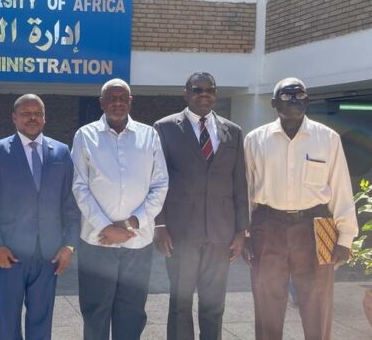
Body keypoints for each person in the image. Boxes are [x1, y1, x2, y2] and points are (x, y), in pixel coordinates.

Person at [243, 77, 359, 340]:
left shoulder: (327, 138)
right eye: (286, 95)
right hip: (267, 226)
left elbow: (341, 187)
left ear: (307, 100)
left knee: (317, 302)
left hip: (315, 226)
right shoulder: (255, 140)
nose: (294, 99)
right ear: (274, 103)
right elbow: (247, 191)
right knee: (267, 301)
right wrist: (246, 235)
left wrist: (346, 238)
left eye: (299, 94)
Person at [0, 94, 81, 339]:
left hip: (49, 253)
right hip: (9, 254)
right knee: (8, 321)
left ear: (44, 118)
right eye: (25, 113)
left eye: (38, 113)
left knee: (41, 320)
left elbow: (70, 202)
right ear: (14, 118)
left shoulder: (61, 152)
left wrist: (69, 245)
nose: (32, 117)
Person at [71, 78, 169, 340]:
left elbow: (160, 185)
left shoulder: (149, 136)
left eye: (122, 97)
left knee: (132, 312)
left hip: (137, 242)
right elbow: (79, 186)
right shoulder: (85, 136)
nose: (117, 102)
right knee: (95, 311)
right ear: (101, 103)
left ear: (130, 102)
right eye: (111, 98)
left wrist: (133, 223)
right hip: (97, 241)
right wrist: (106, 226)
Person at [153, 72, 248, 340]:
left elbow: (240, 183)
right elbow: (156, 180)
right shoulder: (165, 128)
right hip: (181, 233)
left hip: (221, 235)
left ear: (215, 94)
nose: (203, 94)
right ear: (186, 93)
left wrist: (242, 231)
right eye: (197, 89)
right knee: (180, 305)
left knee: (214, 305)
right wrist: (159, 224)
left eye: (210, 90)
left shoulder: (234, 131)